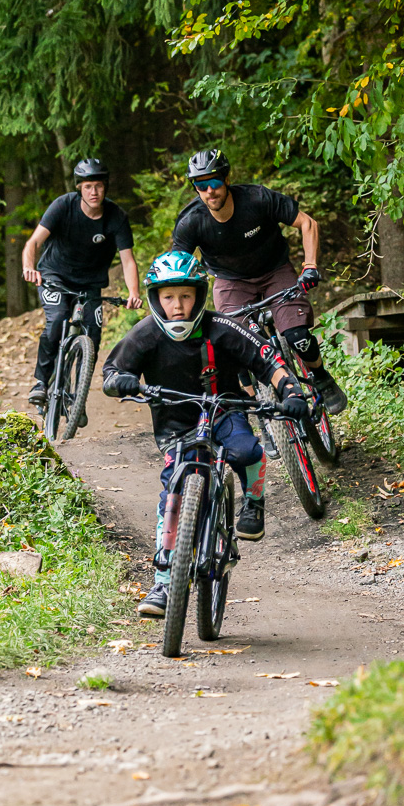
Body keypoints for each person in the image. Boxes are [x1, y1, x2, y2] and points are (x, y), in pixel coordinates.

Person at [102, 250, 305, 619]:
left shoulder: (222, 327)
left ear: (198, 294)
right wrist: (119, 381)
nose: (177, 306)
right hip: (175, 423)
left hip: (225, 409)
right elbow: (113, 369)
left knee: (247, 452)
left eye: (185, 296)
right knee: (174, 494)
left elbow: (266, 359)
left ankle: (253, 503)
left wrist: (290, 392)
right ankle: (164, 581)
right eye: (168, 297)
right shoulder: (145, 333)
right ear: (155, 299)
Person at [170, 148, 348, 415]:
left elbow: (308, 224)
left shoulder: (256, 199)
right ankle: (261, 418)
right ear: (195, 188)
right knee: (236, 345)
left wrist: (309, 266)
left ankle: (322, 377)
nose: (210, 191)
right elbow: (176, 269)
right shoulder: (191, 222)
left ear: (227, 179)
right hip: (231, 282)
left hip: (275, 271)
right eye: (201, 185)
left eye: (215, 182)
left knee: (297, 335)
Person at [22, 157, 142, 416]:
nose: (94, 192)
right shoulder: (62, 206)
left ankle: (77, 398)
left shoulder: (116, 217)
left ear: (105, 186)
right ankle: (41, 382)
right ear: (79, 188)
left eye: (98, 186)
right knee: (57, 321)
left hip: (90, 283)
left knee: (92, 335)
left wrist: (134, 293)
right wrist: (29, 268)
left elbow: (128, 260)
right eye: (88, 186)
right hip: (54, 275)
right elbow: (33, 243)